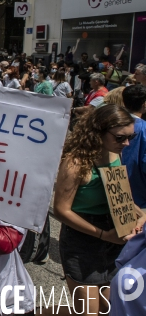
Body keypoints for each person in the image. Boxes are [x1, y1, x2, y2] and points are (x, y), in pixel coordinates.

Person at [54, 104, 146, 314]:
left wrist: (138, 215)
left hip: (115, 239)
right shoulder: (76, 162)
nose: (127, 143)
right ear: (99, 132)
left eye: (129, 137)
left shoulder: (116, 153)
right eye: (120, 137)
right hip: (83, 240)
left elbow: (117, 194)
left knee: (112, 307)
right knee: (89, 311)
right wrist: (104, 235)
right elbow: (61, 210)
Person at [122, 85, 146, 211]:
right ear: (144, 104)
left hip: (111, 193)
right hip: (139, 199)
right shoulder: (144, 129)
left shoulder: (111, 123)